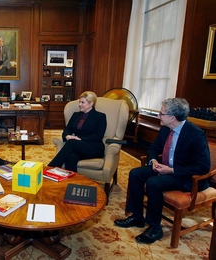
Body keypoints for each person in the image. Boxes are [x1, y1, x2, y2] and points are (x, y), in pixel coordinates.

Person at [114, 98, 211, 244]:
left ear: (172, 117)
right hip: (164, 167)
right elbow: (154, 148)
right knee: (136, 173)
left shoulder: (195, 135)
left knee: (154, 183)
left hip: (185, 176)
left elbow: (203, 166)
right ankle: (137, 217)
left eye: (161, 113)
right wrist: (153, 161)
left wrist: (172, 170)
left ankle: (155, 228)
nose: (158, 116)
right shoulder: (166, 129)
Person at [48, 91, 107, 172]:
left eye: (83, 102)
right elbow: (67, 129)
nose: (80, 104)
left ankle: (50, 167)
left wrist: (79, 138)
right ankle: (71, 182)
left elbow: (98, 135)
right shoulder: (76, 115)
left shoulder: (100, 117)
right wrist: (67, 136)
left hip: (94, 147)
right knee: (71, 157)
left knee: (72, 142)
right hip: (78, 146)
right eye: (79, 102)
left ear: (91, 103)